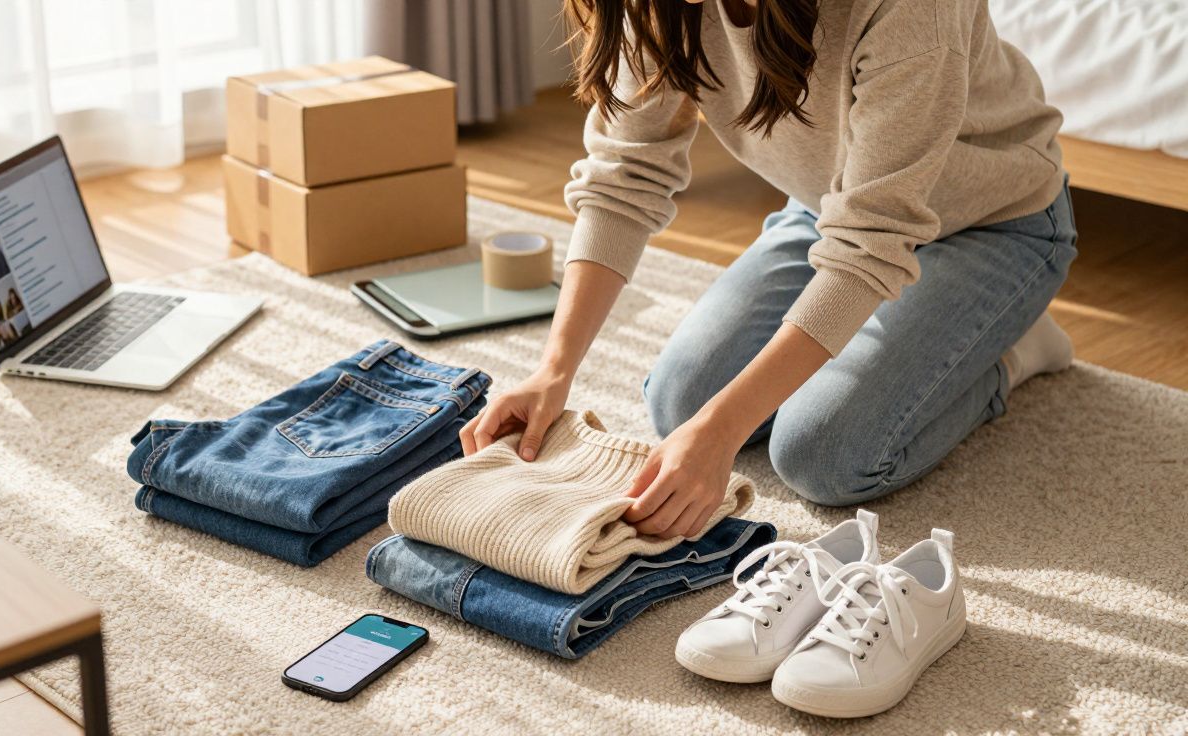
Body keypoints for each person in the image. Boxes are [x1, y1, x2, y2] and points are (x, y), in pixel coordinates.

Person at [459, 0, 1078, 539]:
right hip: (829, 209)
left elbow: (873, 238)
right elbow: (625, 174)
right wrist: (554, 369)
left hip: (992, 222)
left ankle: (1011, 348)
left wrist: (723, 430)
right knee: (681, 402)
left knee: (822, 455)